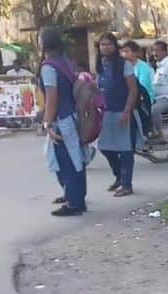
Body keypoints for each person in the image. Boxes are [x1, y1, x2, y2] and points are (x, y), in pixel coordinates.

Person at [38, 27, 89, 217]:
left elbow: (52, 97)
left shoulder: (48, 67)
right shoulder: (66, 62)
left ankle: (73, 202)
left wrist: (48, 123)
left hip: (61, 119)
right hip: (72, 115)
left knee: (66, 161)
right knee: (76, 159)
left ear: (44, 43)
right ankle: (76, 198)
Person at [96, 33, 140, 197]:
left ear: (114, 46)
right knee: (104, 147)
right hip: (107, 112)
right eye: (102, 44)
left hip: (123, 111)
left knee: (125, 149)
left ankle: (127, 184)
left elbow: (133, 89)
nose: (104, 47)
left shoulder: (124, 64)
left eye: (108, 44)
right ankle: (119, 177)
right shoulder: (101, 65)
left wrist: (127, 111)